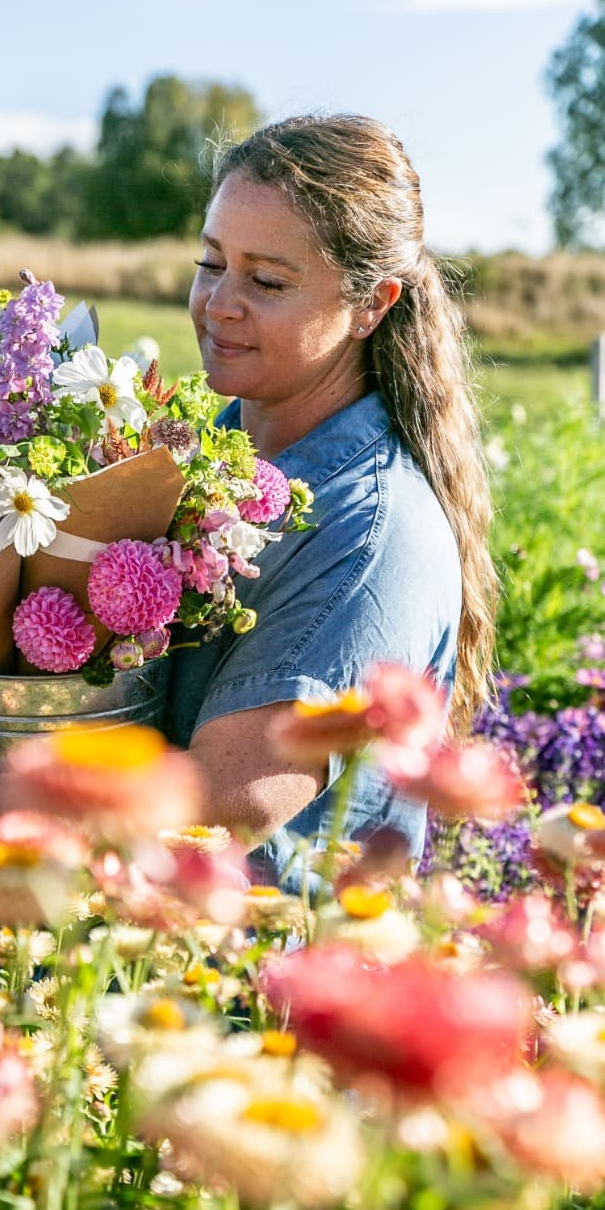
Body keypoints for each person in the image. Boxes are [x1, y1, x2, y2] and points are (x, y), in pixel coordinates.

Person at [166, 113, 498, 891]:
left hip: (265, 992)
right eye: (211, 262)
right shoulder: (209, 450)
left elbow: (230, 802)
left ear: (368, 305)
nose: (219, 303)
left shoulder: (370, 528)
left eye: (267, 281)